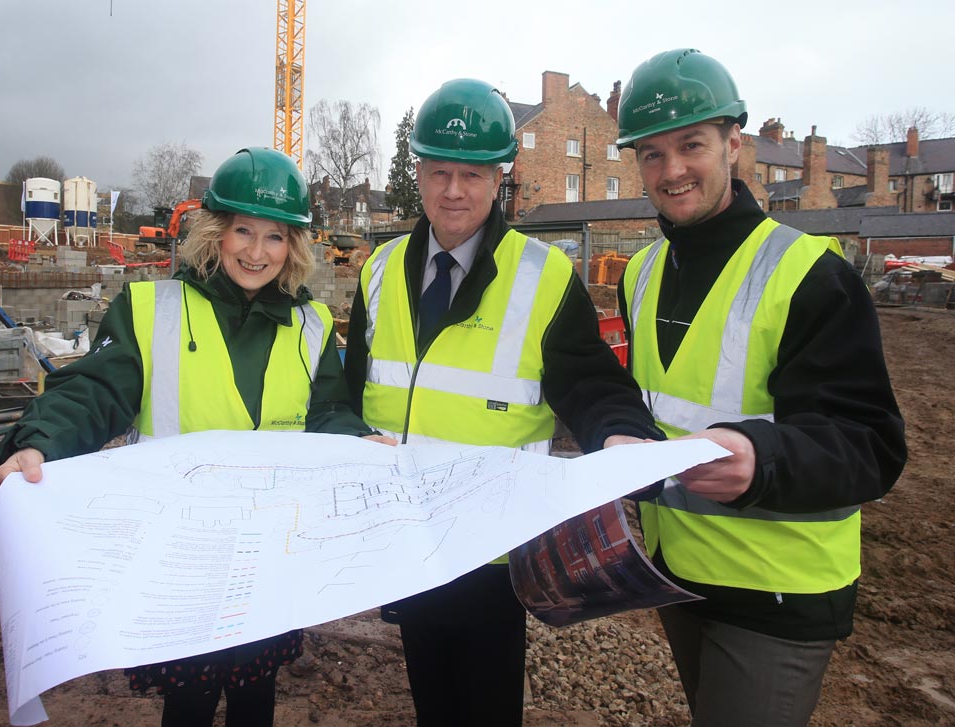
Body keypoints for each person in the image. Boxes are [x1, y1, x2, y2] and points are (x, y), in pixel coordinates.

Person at [0, 147, 394, 727]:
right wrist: (40, 440)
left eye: (276, 237)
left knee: (257, 693)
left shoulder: (308, 325)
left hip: (268, 550)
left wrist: (358, 441)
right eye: (243, 231)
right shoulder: (151, 309)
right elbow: (96, 392)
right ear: (215, 232)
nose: (257, 252)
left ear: (294, 246)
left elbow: (327, 411)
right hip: (185, 552)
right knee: (190, 699)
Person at [343, 78, 663, 727]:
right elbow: (349, 396)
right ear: (418, 172)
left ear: (499, 178)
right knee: (432, 704)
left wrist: (622, 434)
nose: (454, 190)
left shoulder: (543, 279)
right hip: (405, 542)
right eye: (439, 172)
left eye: (471, 174)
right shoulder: (377, 273)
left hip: (491, 557)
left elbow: (595, 386)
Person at [614, 49, 907, 727]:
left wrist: (762, 457)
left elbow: (871, 444)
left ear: (733, 144)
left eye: (691, 145)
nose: (672, 169)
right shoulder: (641, 272)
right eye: (652, 155)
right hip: (680, 571)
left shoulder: (807, 272)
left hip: (777, 587)